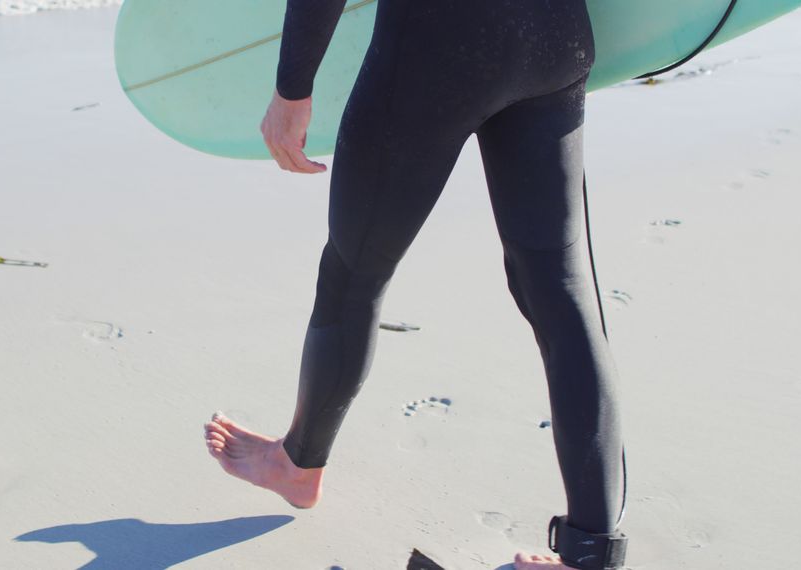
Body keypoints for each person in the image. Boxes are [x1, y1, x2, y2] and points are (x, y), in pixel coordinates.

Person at [203, 1, 628, 568]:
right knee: (562, 291)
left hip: (434, 49)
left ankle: (298, 466)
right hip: (553, 39)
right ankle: (592, 552)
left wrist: (292, 90)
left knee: (353, 276)